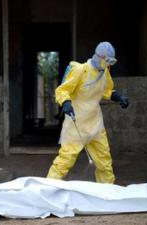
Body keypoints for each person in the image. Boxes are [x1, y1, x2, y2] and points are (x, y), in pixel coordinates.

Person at [47, 41, 129, 183]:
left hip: (95, 124)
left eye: (112, 61)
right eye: (108, 61)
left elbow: (106, 90)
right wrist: (66, 102)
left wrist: (118, 97)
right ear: (99, 57)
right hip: (76, 123)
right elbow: (62, 90)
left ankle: (107, 192)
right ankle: (47, 189)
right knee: (65, 161)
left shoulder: (104, 73)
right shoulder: (81, 70)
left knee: (104, 161)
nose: (109, 64)